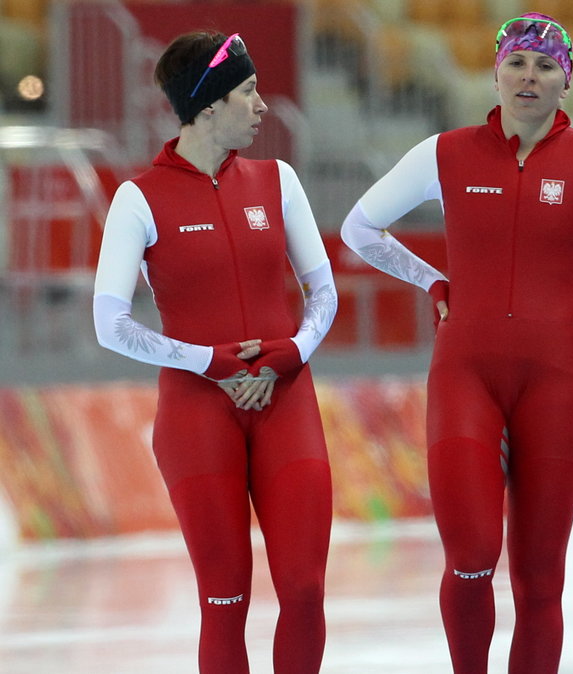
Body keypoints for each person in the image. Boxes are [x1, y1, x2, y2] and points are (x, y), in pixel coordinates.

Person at [340, 12, 573, 672]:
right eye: (517, 63)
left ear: (566, 82)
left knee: (540, 579)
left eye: (545, 66)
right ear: (496, 73)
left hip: (557, 380)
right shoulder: (443, 153)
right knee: (473, 555)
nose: (528, 77)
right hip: (465, 374)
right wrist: (431, 282)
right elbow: (359, 228)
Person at [92, 30, 337, 674]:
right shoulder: (137, 199)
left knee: (306, 593)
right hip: (198, 413)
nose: (263, 106)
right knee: (224, 600)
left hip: (286, 400)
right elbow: (109, 323)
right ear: (207, 107)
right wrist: (213, 363)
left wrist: (292, 350)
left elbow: (323, 290)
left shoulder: (278, 181)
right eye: (249, 91)